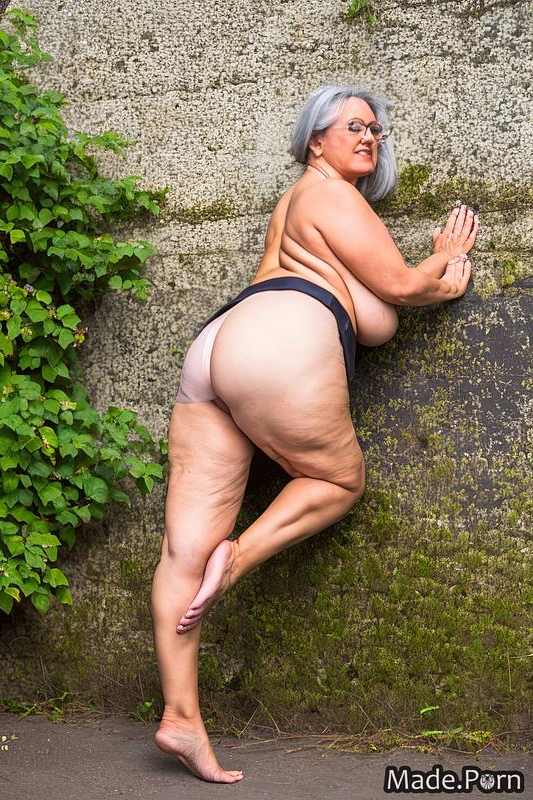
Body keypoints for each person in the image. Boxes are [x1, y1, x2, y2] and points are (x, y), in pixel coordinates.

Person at [150, 83, 478, 783]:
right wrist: (445, 274)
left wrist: (417, 277)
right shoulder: (331, 195)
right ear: (315, 140)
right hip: (278, 341)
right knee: (336, 480)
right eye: (354, 125)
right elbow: (402, 286)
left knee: (182, 550)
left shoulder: (293, 207)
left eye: (377, 130)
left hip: (220, 346)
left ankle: (180, 716)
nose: (370, 137)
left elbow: (369, 295)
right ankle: (237, 559)